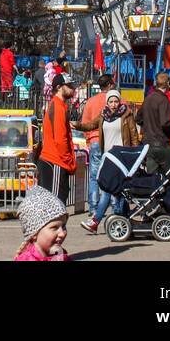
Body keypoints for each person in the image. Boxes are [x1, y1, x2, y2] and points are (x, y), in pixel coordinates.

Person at [80, 88, 140, 234]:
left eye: (116, 101)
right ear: (107, 103)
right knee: (118, 190)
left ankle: (96, 221)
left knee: (108, 189)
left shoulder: (126, 115)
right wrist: (75, 125)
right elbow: (90, 125)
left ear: (119, 102)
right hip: (107, 158)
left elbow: (134, 135)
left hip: (120, 158)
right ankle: (121, 217)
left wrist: (136, 155)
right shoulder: (103, 116)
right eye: (111, 101)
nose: (113, 104)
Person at [73, 73, 115, 221]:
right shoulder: (117, 100)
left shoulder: (91, 102)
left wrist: (89, 140)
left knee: (94, 176)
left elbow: (85, 123)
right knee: (112, 175)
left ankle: (93, 207)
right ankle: (114, 206)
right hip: (112, 141)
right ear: (110, 85)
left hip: (95, 139)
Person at [37, 74, 76, 204]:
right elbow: (60, 140)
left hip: (55, 161)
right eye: (69, 86)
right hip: (55, 162)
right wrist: (68, 161)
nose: (73, 88)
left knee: (56, 206)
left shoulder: (58, 105)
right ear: (59, 87)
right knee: (56, 206)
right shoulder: (58, 107)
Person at [14, 187, 70, 261]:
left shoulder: (60, 255)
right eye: (54, 228)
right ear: (34, 234)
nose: (62, 233)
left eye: (63, 226)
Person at [137, 71, 170, 173]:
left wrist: (148, 125)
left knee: (152, 177)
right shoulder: (163, 100)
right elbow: (165, 123)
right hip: (161, 142)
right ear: (167, 83)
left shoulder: (148, 98)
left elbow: (138, 118)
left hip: (148, 142)